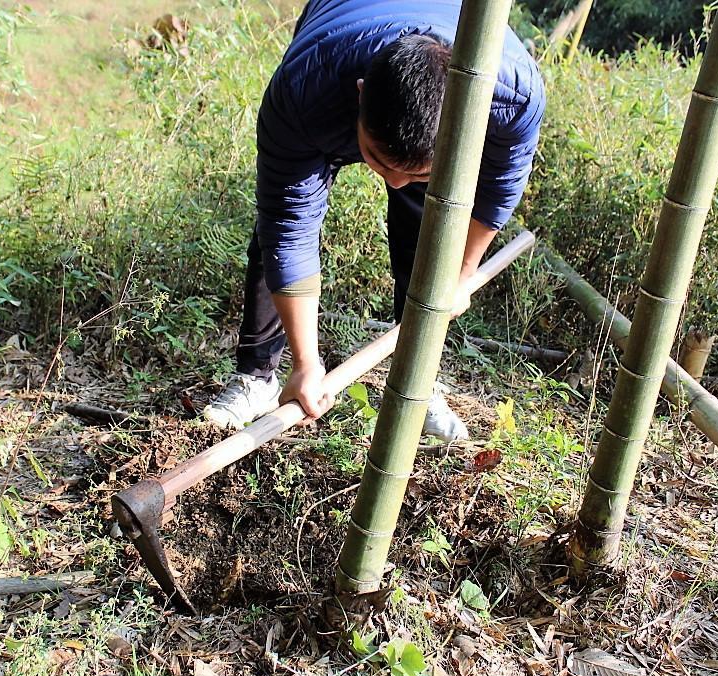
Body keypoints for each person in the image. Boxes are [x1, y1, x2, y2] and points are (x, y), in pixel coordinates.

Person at [203, 0, 545, 440]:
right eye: (379, 161)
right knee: (277, 226)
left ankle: (416, 381)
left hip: (451, 38)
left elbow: (498, 190)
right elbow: (289, 224)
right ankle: (258, 376)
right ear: (361, 94)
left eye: (417, 171)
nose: (397, 183)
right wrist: (308, 364)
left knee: (424, 224)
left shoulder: (511, 95)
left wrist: (461, 274)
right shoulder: (305, 91)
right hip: (342, 24)